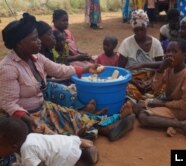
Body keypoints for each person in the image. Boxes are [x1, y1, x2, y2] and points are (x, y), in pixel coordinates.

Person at [0, 13, 135, 141]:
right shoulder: (8, 68)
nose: (39, 42)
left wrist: (86, 69)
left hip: (43, 107)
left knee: (73, 117)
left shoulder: (36, 58)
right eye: (34, 39)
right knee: (51, 135)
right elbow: (8, 103)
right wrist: (28, 119)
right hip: (26, 116)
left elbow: (60, 70)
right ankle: (99, 132)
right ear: (19, 43)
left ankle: (106, 128)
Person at [134, 38, 186, 142]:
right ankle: (168, 122)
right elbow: (154, 88)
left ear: (184, 55)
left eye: (174, 51)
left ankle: (182, 124)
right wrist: (161, 69)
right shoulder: (170, 68)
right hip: (167, 102)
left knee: (143, 117)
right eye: (167, 51)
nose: (169, 54)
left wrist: (163, 104)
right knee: (136, 107)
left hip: (179, 110)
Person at [0, 117, 99, 165]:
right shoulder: (29, 138)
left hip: (66, 157)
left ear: (13, 146)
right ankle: (82, 144)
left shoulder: (27, 151)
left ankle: (88, 155)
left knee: (75, 161)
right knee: (60, 141)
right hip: (64, 143)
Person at [117, 9, 164, 100]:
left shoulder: (156, 43)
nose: (139, 32)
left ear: (147, 27)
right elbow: (121, 70)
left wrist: (144, 65)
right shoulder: (126, 43)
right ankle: (146, 102)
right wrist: (135, 83)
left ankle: (142, 102)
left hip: (152, 78)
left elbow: (161, 64)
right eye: (136, 29)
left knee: (165, 86)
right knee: (127, 90)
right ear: (133, 29)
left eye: (142, 29)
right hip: (132, 79)